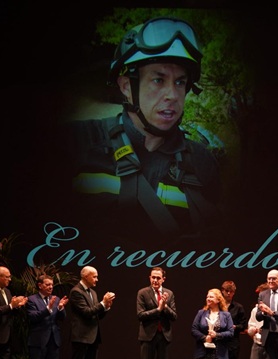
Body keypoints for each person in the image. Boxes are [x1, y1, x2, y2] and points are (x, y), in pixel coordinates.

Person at [63, 16, 222, 240]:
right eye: (158, 80)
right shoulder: (76, 141)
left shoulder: (202, 162)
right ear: (126, 86)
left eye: (180, 82)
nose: (172, 95)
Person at [67, 266, 115, 359]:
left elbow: (96, 315)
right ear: (85, 276)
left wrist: (106, 307)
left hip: (93, 336)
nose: (97, 279)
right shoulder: (76, 292)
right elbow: (86, 312)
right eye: (94, 276)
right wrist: (102, 303)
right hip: (81, 337)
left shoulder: (92, 292)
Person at [137, 266, 177, 359]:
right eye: (153, 277)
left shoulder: (169, 293)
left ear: (163, 279)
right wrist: (158, 309)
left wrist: (165, 307)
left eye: (158, 278)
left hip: (163, 336)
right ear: (149, 278)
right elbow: (140, 315)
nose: (155, 280)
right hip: (148, 336)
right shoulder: (143, 293)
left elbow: (174, 316)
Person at [26, 274, 69, 359]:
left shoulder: (55, 299)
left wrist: (60, 307)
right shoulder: (32, 300)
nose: (51, 287)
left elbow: (62, 318)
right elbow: (33, 317)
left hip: (53, 339)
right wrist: (48, 309)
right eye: (47, 284)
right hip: (38, 340)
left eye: (52, 285)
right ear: (40, 285)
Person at [215, 280, 246, 359]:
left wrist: (235, 327)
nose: (228, 293)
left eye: (231, 291)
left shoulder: (238, 307)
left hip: (233, 341)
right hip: (220, 341)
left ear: (234, 292)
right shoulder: (217, 306)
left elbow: (243, 324)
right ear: (222, 291)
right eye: (226, 291)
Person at [243, 283, 274, 359]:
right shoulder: (255, 310)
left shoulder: (273, 310)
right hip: (257, 343)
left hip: (270, 344)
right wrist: (254, 330)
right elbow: (250, 327)